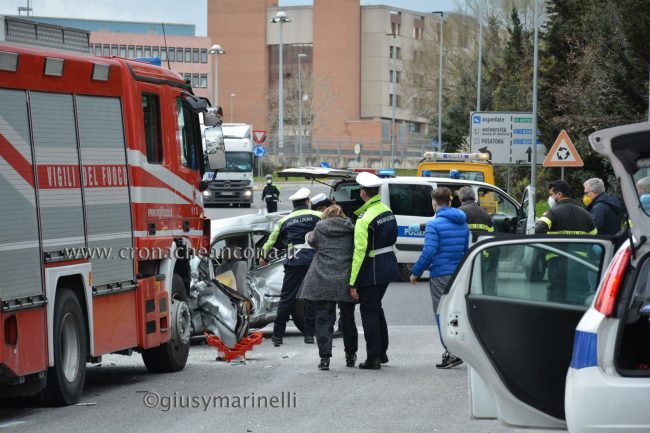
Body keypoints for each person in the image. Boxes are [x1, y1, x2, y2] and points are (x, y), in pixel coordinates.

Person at [410, 187, 469, 369]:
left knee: (441, 313)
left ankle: (451, 353)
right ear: (449, 201)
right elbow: (465, 250)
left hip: (440, 274)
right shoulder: (462, 222)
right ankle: (458, 349)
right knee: (456, 312)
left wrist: (416, 272)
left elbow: (429, 251)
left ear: (434, 203)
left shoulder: (434, 225)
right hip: (458, 274)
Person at [297, 205, 358, 370]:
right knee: (348, 319)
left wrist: (309, 235)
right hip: (345, 278)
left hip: (323, 278)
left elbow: (312, 242)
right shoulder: (351, 228)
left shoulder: (320, 227)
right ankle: (350, 355)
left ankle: (324, 358)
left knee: (324, 318)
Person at [349, 172, 398, 370]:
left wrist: (353, 283)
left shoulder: (364, 218)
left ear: (363, 192)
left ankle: (373, 358)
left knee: (369, 312)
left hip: (373, 268)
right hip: (388, 263)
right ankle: (382, 352)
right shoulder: (387, 211)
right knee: (376, 308)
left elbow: (360, 253)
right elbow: (393, 238)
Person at [261, 187, 321, 346]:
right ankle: (309, 335)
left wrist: (263, 256)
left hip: (294, 261)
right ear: (307, 202)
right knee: (311, 298)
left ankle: (277, 336)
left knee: (287, 298)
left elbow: (272, 241)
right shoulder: (318, 216)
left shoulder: (285, 220)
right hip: (313, 261)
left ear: (294, 205)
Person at [535, 180, 597, 303]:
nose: (550, 198)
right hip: (581, 264)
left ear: (559, 194)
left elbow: (538, 230)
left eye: (551, 194)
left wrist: (548, 248)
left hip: (557, 262)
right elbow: (594, 237)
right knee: (578, 297)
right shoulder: (586, 214)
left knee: (556, 296)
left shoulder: (552, 213)